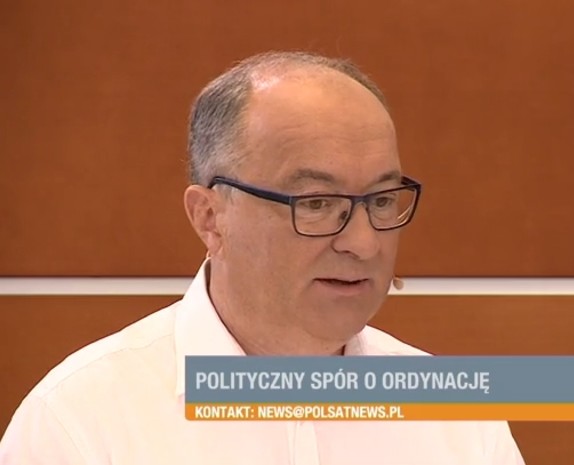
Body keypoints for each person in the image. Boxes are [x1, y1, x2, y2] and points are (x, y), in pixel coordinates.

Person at [0, 51, 526, 464]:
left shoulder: (457, 420)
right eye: (316, 203)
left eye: (382, 200)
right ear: (211, 218)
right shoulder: (79, 423)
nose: (364, 243)